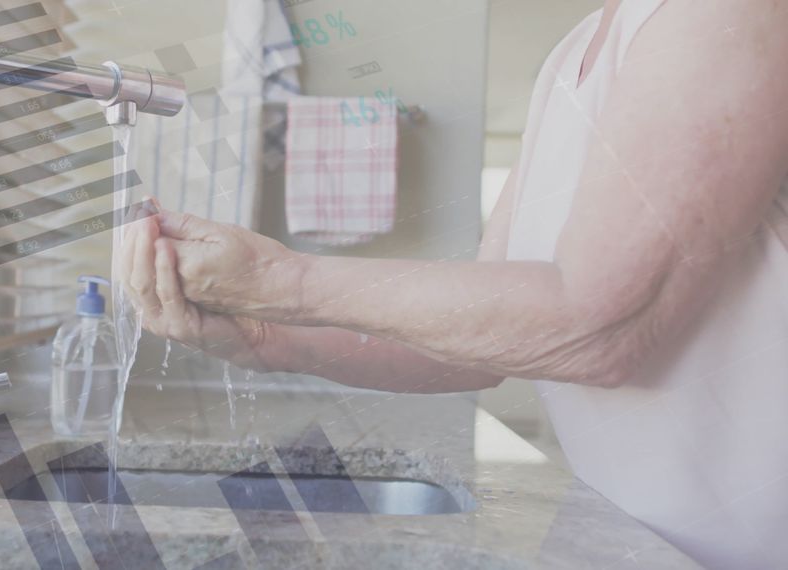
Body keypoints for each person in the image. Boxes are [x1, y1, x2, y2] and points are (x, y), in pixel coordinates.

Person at [121, 1, 788, 567]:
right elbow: (477, 340)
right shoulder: (576, 51)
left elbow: (602, 326)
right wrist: (264, 337)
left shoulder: (722, 12)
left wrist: (279, 279)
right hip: (636, 543)